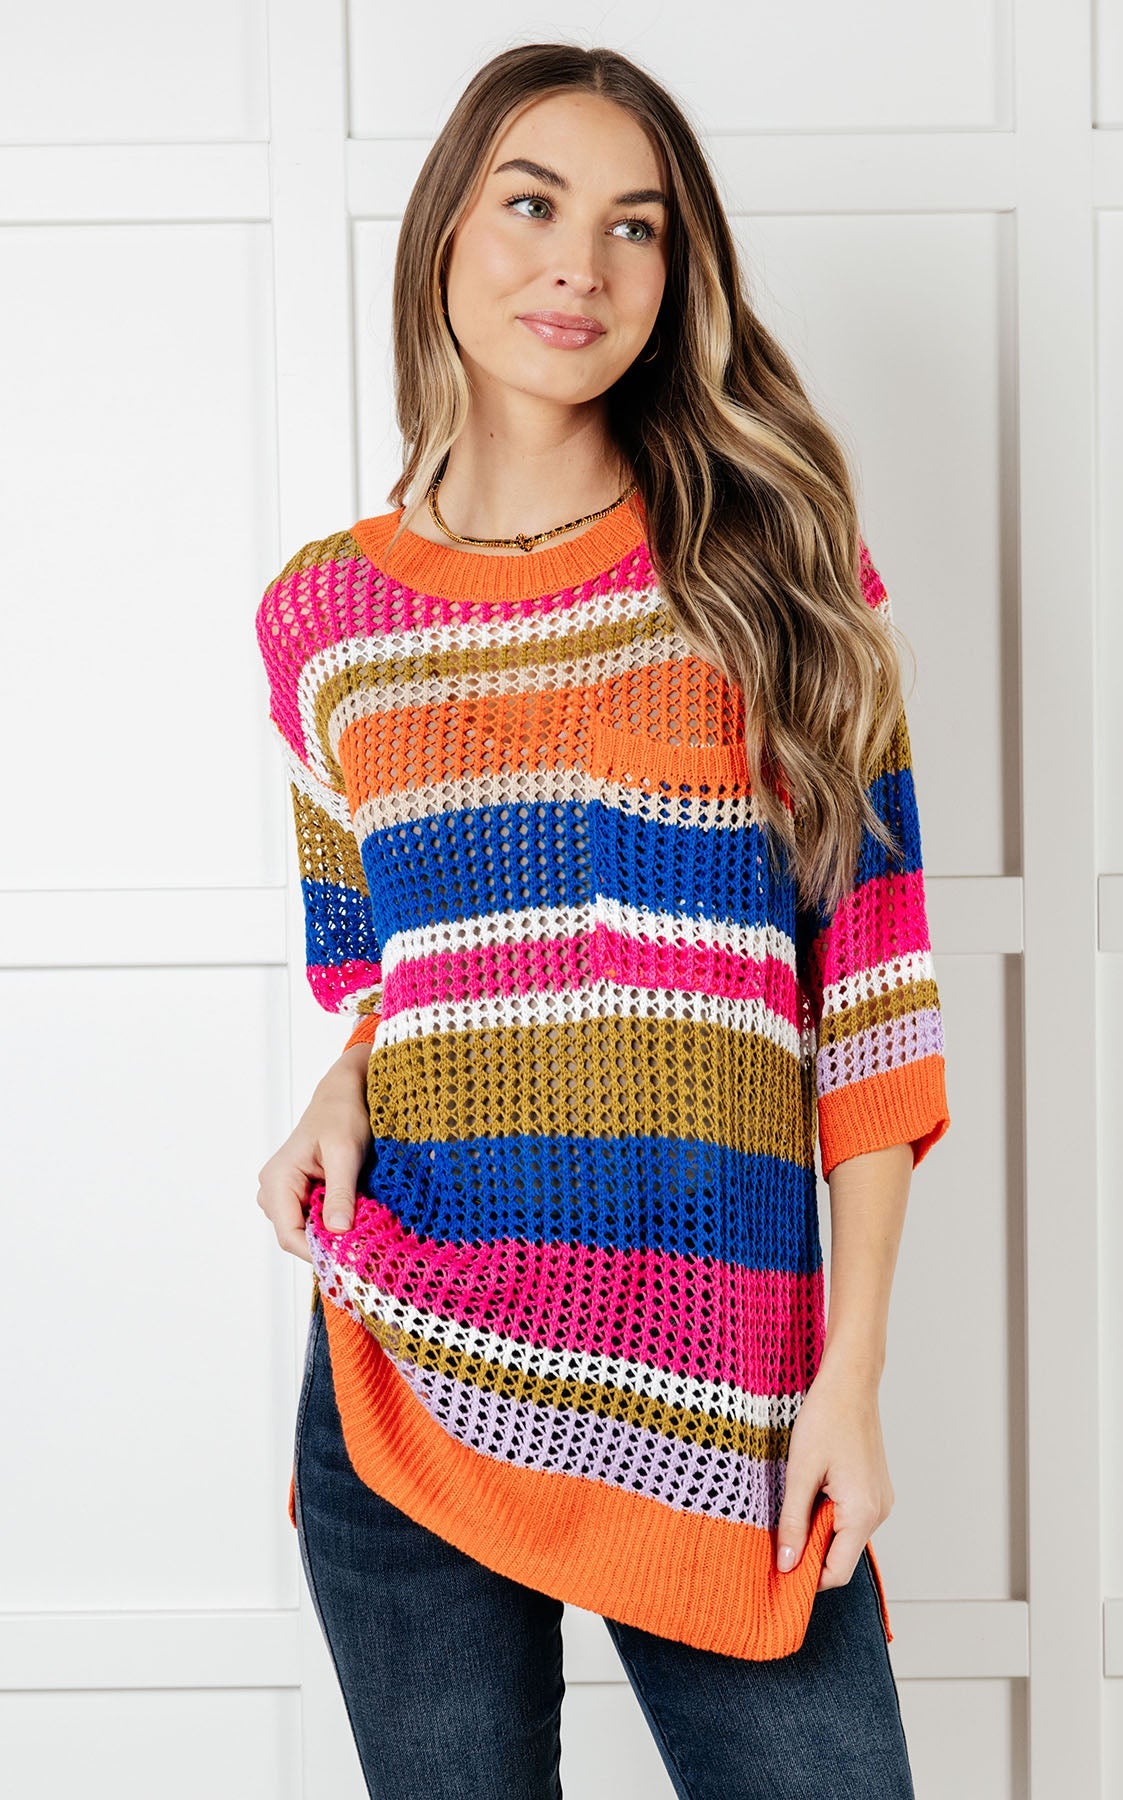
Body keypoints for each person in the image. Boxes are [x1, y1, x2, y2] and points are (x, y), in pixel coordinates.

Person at [254, 41, 950, 1800]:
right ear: (444, 232)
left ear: (675, 271)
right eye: (533, 205)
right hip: (414, 1361)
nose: (580, 265)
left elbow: (871, 999)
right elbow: (397, 967)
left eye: (634, 226)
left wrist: (851, 1377)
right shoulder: (323, 618)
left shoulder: (773, 567)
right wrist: (340, 1085)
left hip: (723, 1393)